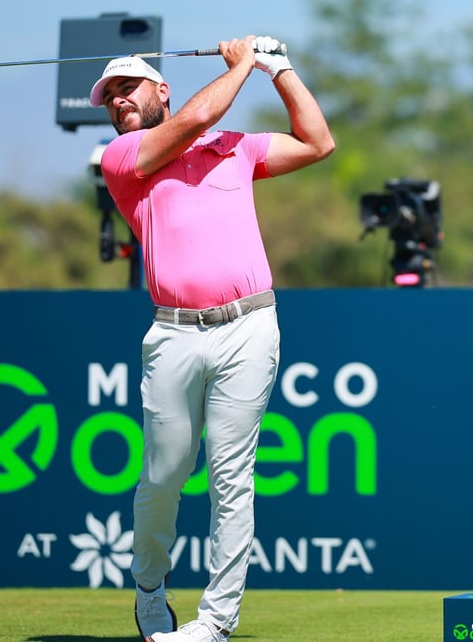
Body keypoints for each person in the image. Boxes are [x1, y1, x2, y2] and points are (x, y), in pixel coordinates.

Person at [88, 35, 335, 642]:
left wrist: (280, 69)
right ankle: (150, 589)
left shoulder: (235, 148)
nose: (118, 101)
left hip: (250, 324)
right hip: (174, 334)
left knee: (232, 476)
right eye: (110, 96)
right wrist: (244, 62)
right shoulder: (122, 157)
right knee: (165, 474)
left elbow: (318, 142)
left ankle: (216, 622)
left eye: (128, 87)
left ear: (160, 89)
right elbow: (200, 113)